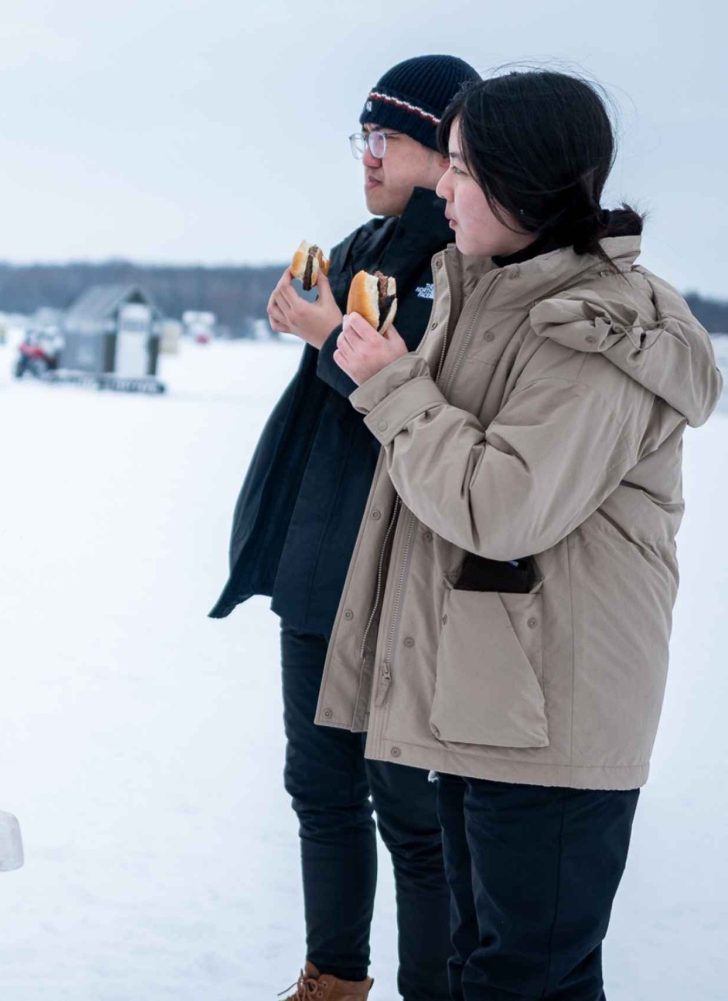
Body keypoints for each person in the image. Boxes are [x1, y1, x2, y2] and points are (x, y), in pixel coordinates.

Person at [323, 69, 722, 1000]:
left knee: (526, 980)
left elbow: (500, 506)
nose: (443, 187)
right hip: (490, 700)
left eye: (460, 167)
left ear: (521, 179)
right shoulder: (486, 293)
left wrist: (388, 384)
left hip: (553, 709)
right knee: (483, 968)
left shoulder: (602, 327)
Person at [210, 55, 480, 1000]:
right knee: (319, 790)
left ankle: (431, 988)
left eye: (388, 138)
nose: (368, 156)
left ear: (447, 149)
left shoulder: (462, 261)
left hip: (401, 574)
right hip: (319, 566)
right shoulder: (364, 241)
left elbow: (424, 401)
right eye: (363, 137)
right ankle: (332, 979)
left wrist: (327, 336)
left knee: (413, 812)